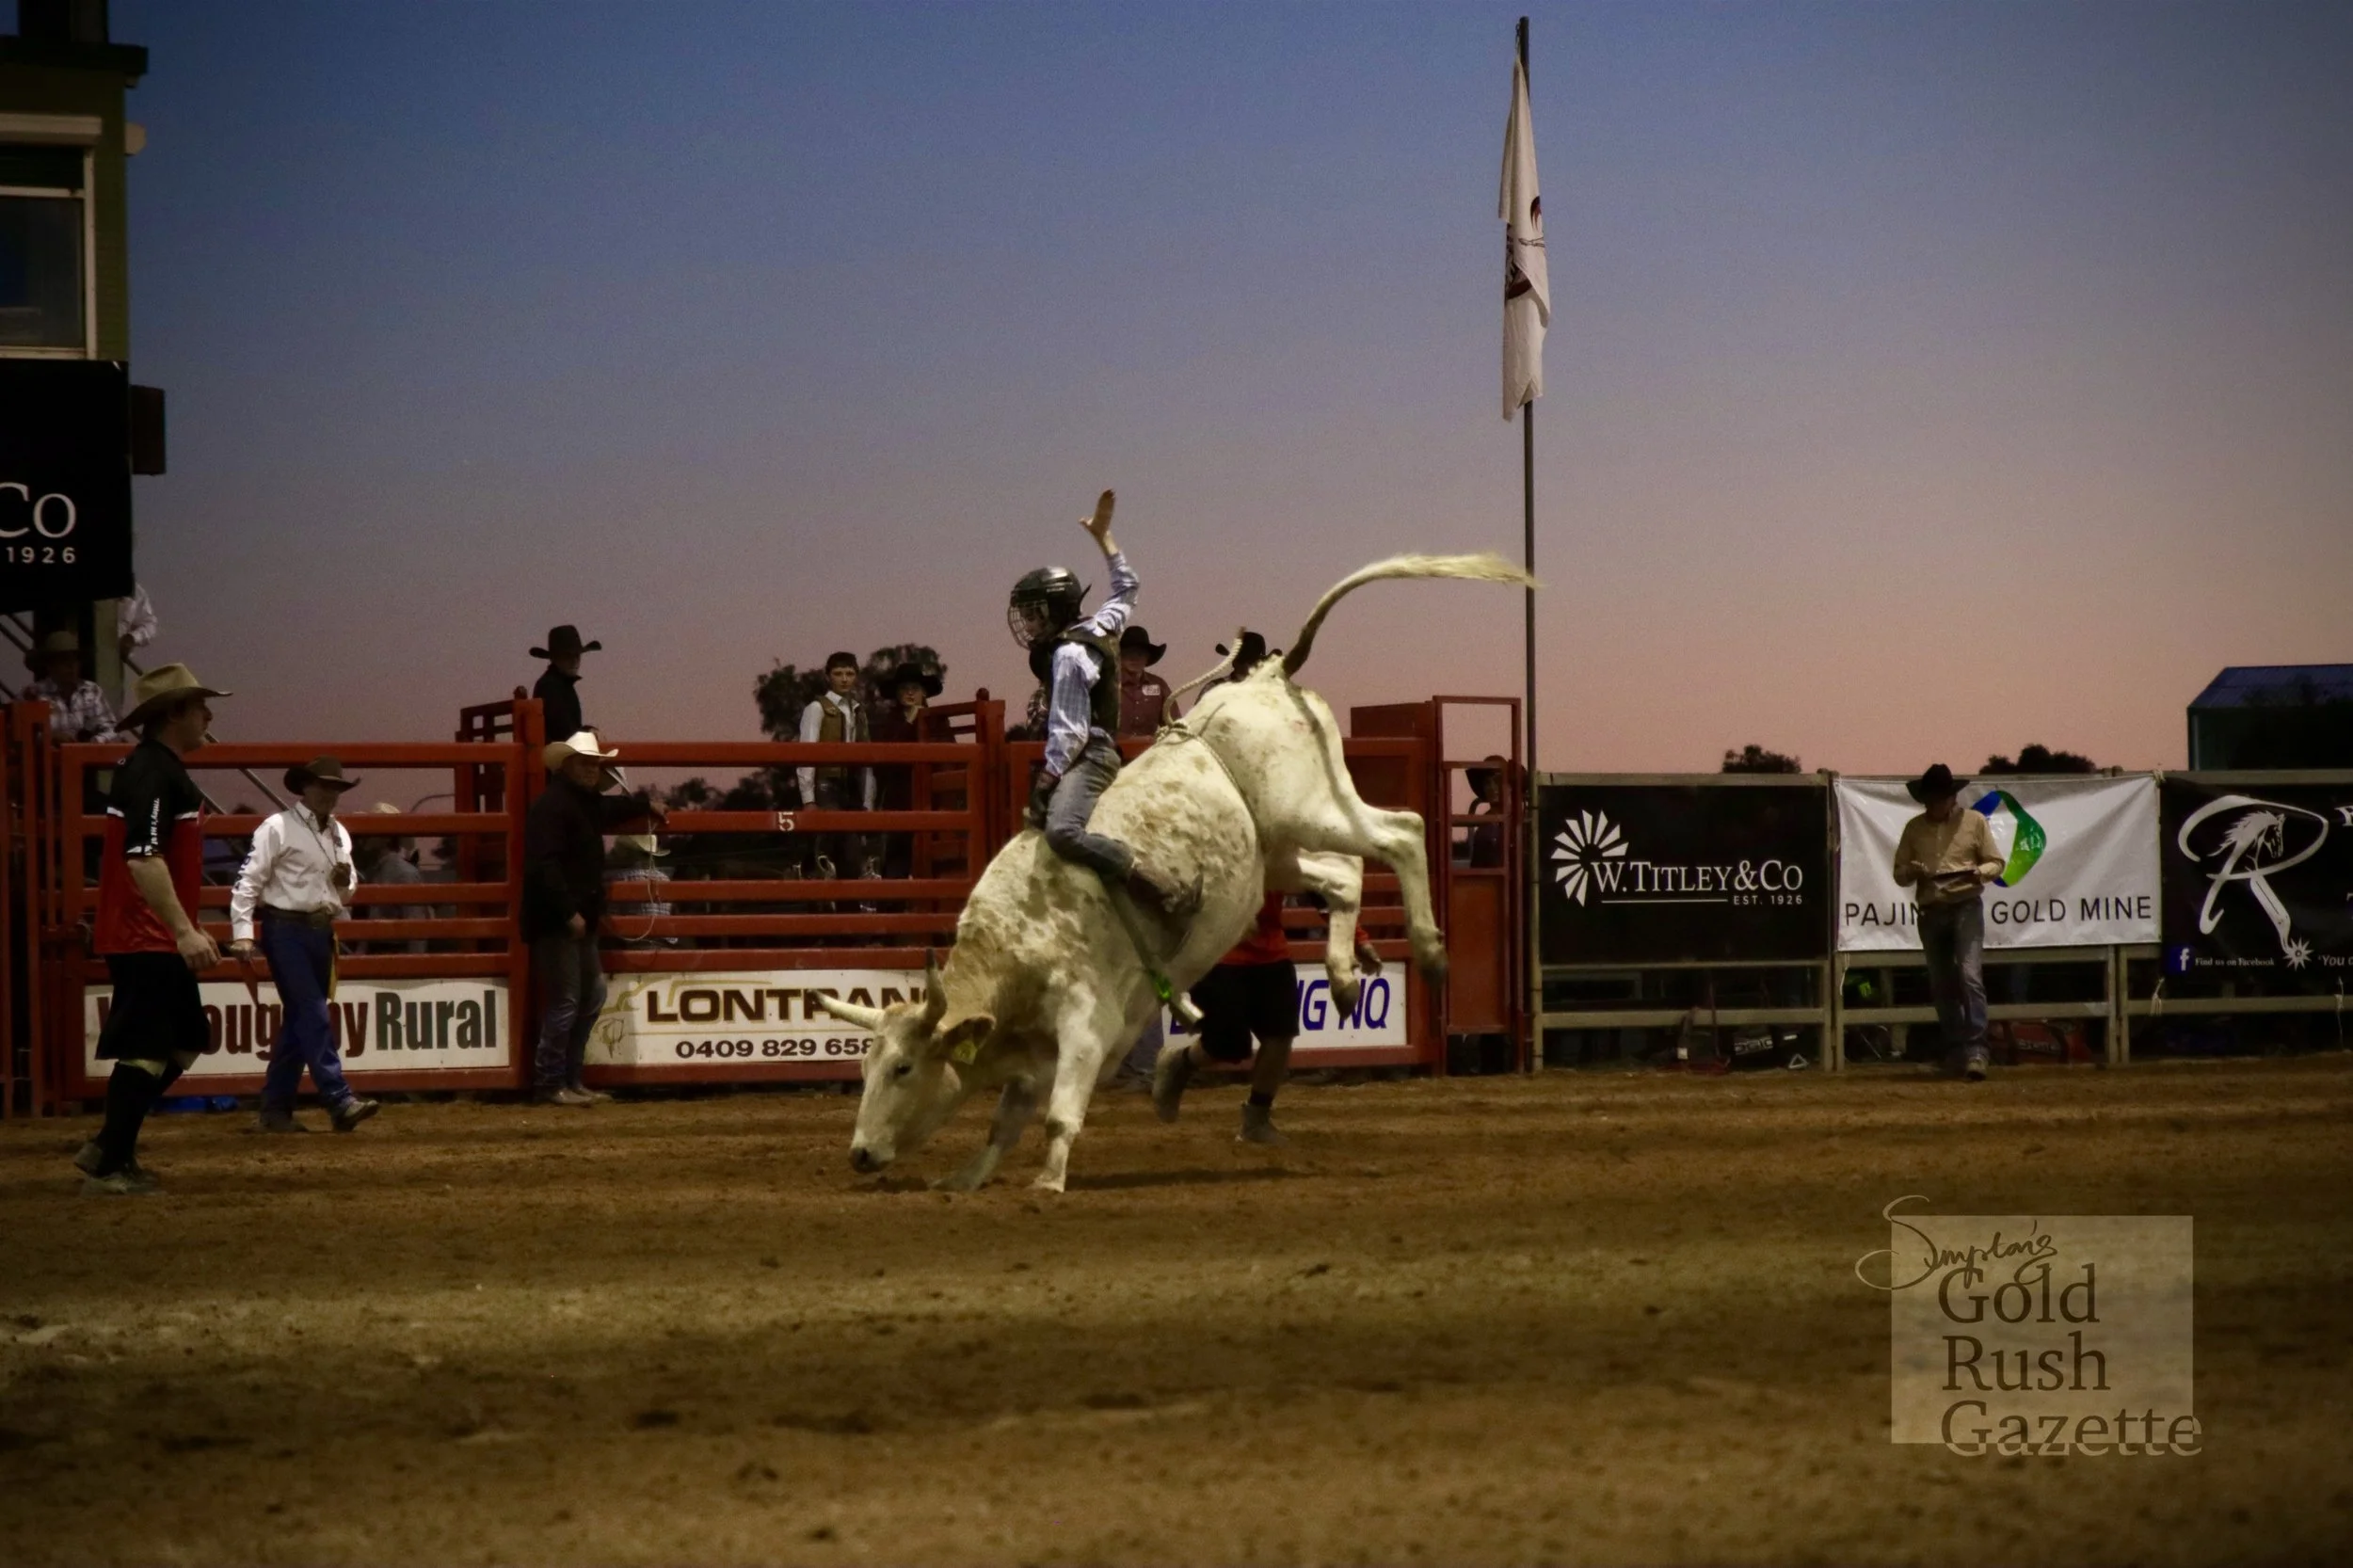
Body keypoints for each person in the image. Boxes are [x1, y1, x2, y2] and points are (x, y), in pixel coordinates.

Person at [71, 664, 231, 1194]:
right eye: (200, 707)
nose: (209, 715)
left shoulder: (158, 769)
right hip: (146, 934)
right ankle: (112, 1159)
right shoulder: (151, 771)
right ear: (175, 714)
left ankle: (109, 1146)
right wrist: (185, 930)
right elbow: (143, 857)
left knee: (186, 1039)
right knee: (151, 1044)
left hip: (154, 931)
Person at [1010, 489, 1196, 918]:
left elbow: (1070, 731)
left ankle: (1158, 884)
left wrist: (1048, 778)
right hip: (1096, 748)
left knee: (1062, 832)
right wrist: (1105, 538)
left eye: (1034, 613)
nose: (1029, 623)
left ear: (1053, 610)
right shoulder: (1100, 624)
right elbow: (1128, 587)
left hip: (1088, 755)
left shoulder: (1068, 656)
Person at [227, 758, 381, 1134]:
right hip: (285, 929)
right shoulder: (277, 827)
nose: (330, 794)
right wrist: (242, 931)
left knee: (301, 1020)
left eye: (335, 788)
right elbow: (249, 880)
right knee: (312, 1012)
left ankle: (275, 1109)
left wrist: (346, 883)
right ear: (305, 788)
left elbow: (344, 893)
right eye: (323, 787)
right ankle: (338, 1098)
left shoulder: (339, 834)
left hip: (317, 930)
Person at [526, 730, 665, 1105]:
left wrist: (643, 804)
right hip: (559, 918)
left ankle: (568, 1079)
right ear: (567, 766)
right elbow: (543, 865)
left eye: (595, 764)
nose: (593, 770)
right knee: (568, 999)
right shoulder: (553, 807)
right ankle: (551, 1081)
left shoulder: (580, 802)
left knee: (588, 996)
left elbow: (609, 809)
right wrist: (567, 910)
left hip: (576, 915)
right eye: (587, 763)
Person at [1892, 762, 2007, 1081]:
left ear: (1951, 798)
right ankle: (1959, 1050)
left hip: (1965, 904)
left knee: (1969, 976)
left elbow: (1996, 863)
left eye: (1939, 798)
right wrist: (1912, 871)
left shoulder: (1974, 822)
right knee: (1943, 983)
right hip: (1932, 910)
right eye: (1931, 799)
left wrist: (1978, 873)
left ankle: (1975, 1050)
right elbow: (1899, 874)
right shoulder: (1914, 829)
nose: (1935, 804)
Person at [797, 652, 877, 880]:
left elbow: (867, 760)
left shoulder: (859, 712)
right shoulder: (817, 708)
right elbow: (806, 753)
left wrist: (867, 802)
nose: (844, 679)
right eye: (838, 673)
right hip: (826, 784)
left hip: (852, 786)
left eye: (849, 674)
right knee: (834, 842)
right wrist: (808, 799)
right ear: (828, 676)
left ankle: (847, 910)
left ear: (856, 677)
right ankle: (807, 868)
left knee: (851, 856)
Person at [871, 661, 942, 878]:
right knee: (897, 862)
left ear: (924, 693)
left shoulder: (937, 720)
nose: (910, 693)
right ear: (897, 694)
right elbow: (886, 759)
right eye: (904, 689)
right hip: (900, 799)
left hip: (933, 799)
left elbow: (950, 754)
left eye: (915, 688)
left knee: (935, 860)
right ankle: (892, 908)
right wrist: (910, 722)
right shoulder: (888, 723)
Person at [20, 630, 125, 742]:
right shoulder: (33, 694)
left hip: (88, 757)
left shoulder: (92, 691)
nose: (71, 665)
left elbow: (112, 730)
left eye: (75, 659)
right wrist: (49, 737)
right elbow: (19, 735)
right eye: (64, 660)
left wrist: (91, 744)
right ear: (50, 665)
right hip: (48, 758)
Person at [357, 802, 429, 954]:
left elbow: (416, 927)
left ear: (386, 838)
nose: (365, 836)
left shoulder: (404, 873)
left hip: (395, 953)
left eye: (372, 831)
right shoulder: (375, 870)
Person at [529, 625, 600, 745]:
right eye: (568, 656)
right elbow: (564, 733)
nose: (574, 661)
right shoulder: (550, 686)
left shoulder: (559, 684)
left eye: (577, 656)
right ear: (554, 658)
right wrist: (588, 732)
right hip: (557, 759)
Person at [1115, 626, 1173, 739]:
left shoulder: (1159, 685)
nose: (1134, 658)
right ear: (1120, 656)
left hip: (1150, 753)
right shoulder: (1108, 685)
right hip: (1111, 753)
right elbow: (1094, 727)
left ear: (1148, 658)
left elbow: (1174, 724)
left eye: (1140, 654)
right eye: (1129, 653)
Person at [1463, 756, 1509, 869]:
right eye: (1487, 783)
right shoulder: (1485, 826)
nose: (1492, 788)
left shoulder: (1523, 820)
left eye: (1497, 781)